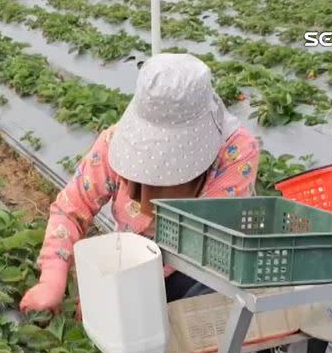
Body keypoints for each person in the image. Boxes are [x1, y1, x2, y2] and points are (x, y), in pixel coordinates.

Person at [19, 53, 260, 314]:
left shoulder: (235, 153)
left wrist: (119, 290)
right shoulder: (114, 143)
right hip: (131, 261)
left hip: (198, 268)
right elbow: (72, 206)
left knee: (206, 306)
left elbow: (203, 242)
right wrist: (51, 279)